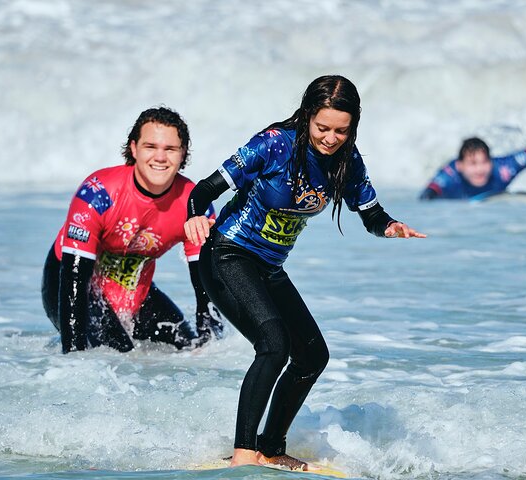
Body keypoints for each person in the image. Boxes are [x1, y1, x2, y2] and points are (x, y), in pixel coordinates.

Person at [184, 75, 426, 470]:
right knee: (274, 343)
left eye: (341, 131)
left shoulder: (347, 161)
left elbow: (370, 214)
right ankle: (244, 455)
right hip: (227, 256)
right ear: (308, 116)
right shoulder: (273, 144)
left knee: (312, 356)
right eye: (323, 128)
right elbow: (203, 190)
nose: (331, 138)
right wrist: (195, 216)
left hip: (269, 267)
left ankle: (270, 447)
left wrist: (390, 226)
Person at [41, 106, 222, 354]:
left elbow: (207, 289)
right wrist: (73, 364)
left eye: (170, 149)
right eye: (150, 147)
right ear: (134, 149)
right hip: (71, 282)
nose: (160, 157)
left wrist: (212, 351)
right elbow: (75, 279)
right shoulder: (98, 193)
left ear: (183, 154)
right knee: (122, 355)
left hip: (135, 288)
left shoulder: (193, 205)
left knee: (189, 349)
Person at [419, 137, 526, 200]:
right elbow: (426, 197)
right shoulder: (449, 175)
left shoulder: (504, 168)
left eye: (484, 162)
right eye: (473, 164)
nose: (480, 169)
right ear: (460, 165)